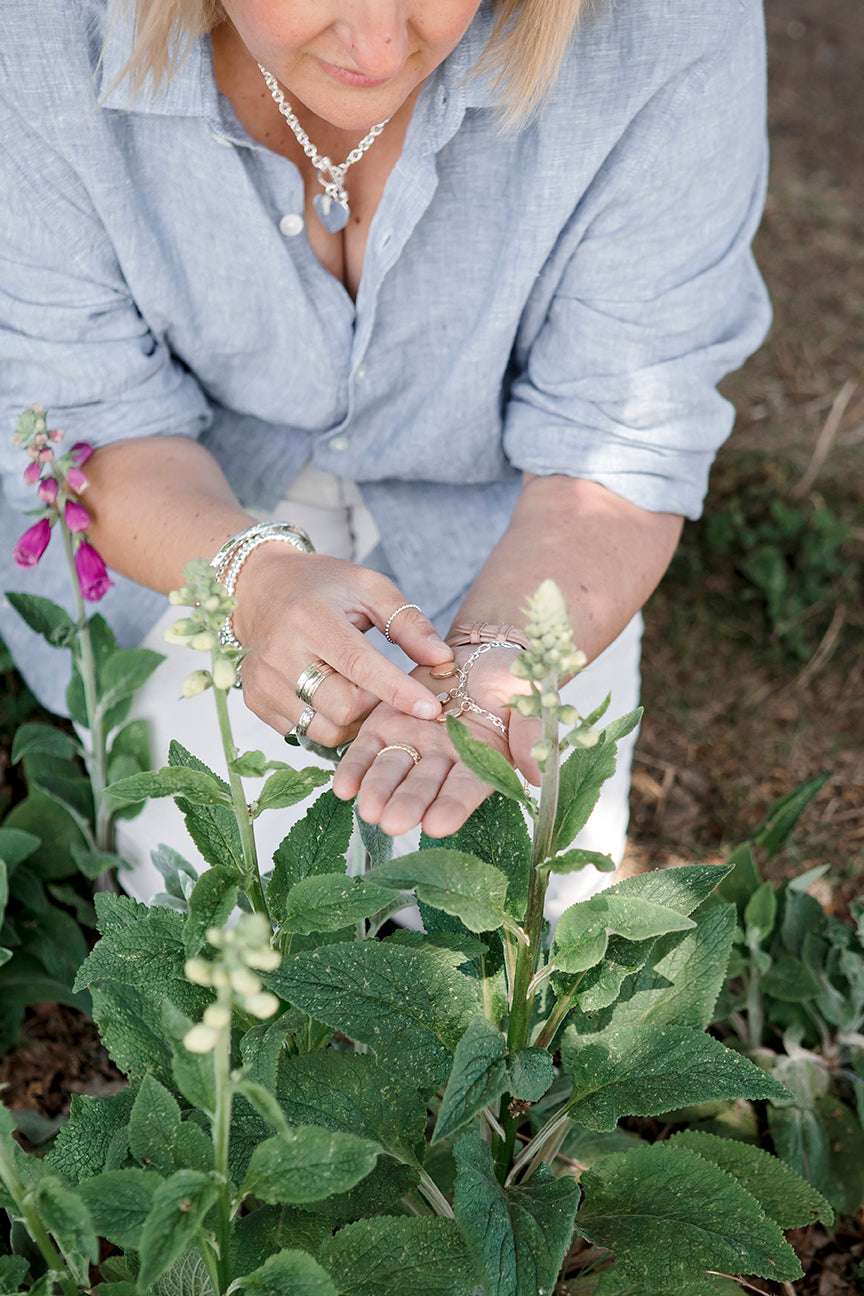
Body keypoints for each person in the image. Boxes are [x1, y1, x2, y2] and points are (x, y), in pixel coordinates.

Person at [0, 0, 771, 924]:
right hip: (184, 502)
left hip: (517, 521)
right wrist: (253, 579)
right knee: (239, 909)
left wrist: (502, 661)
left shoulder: (674, 26)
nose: (374, 44)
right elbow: (88, 417)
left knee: (529, 903)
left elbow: (616, 435)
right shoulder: (41, 28)